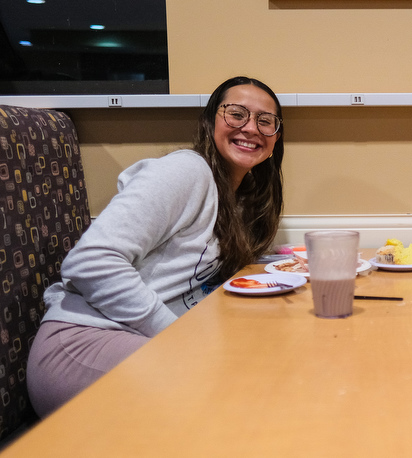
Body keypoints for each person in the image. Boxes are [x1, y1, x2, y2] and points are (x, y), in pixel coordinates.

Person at [26, 76, 285, 416]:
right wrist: (177, 337)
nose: (251, 128)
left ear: (276, 137)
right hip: (84, 344)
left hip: (142, 342)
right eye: (236, 114)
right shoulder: (187, 171)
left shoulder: (239, 197)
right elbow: (91, 261)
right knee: (243, 395)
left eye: (265, 121)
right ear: (209, 122)